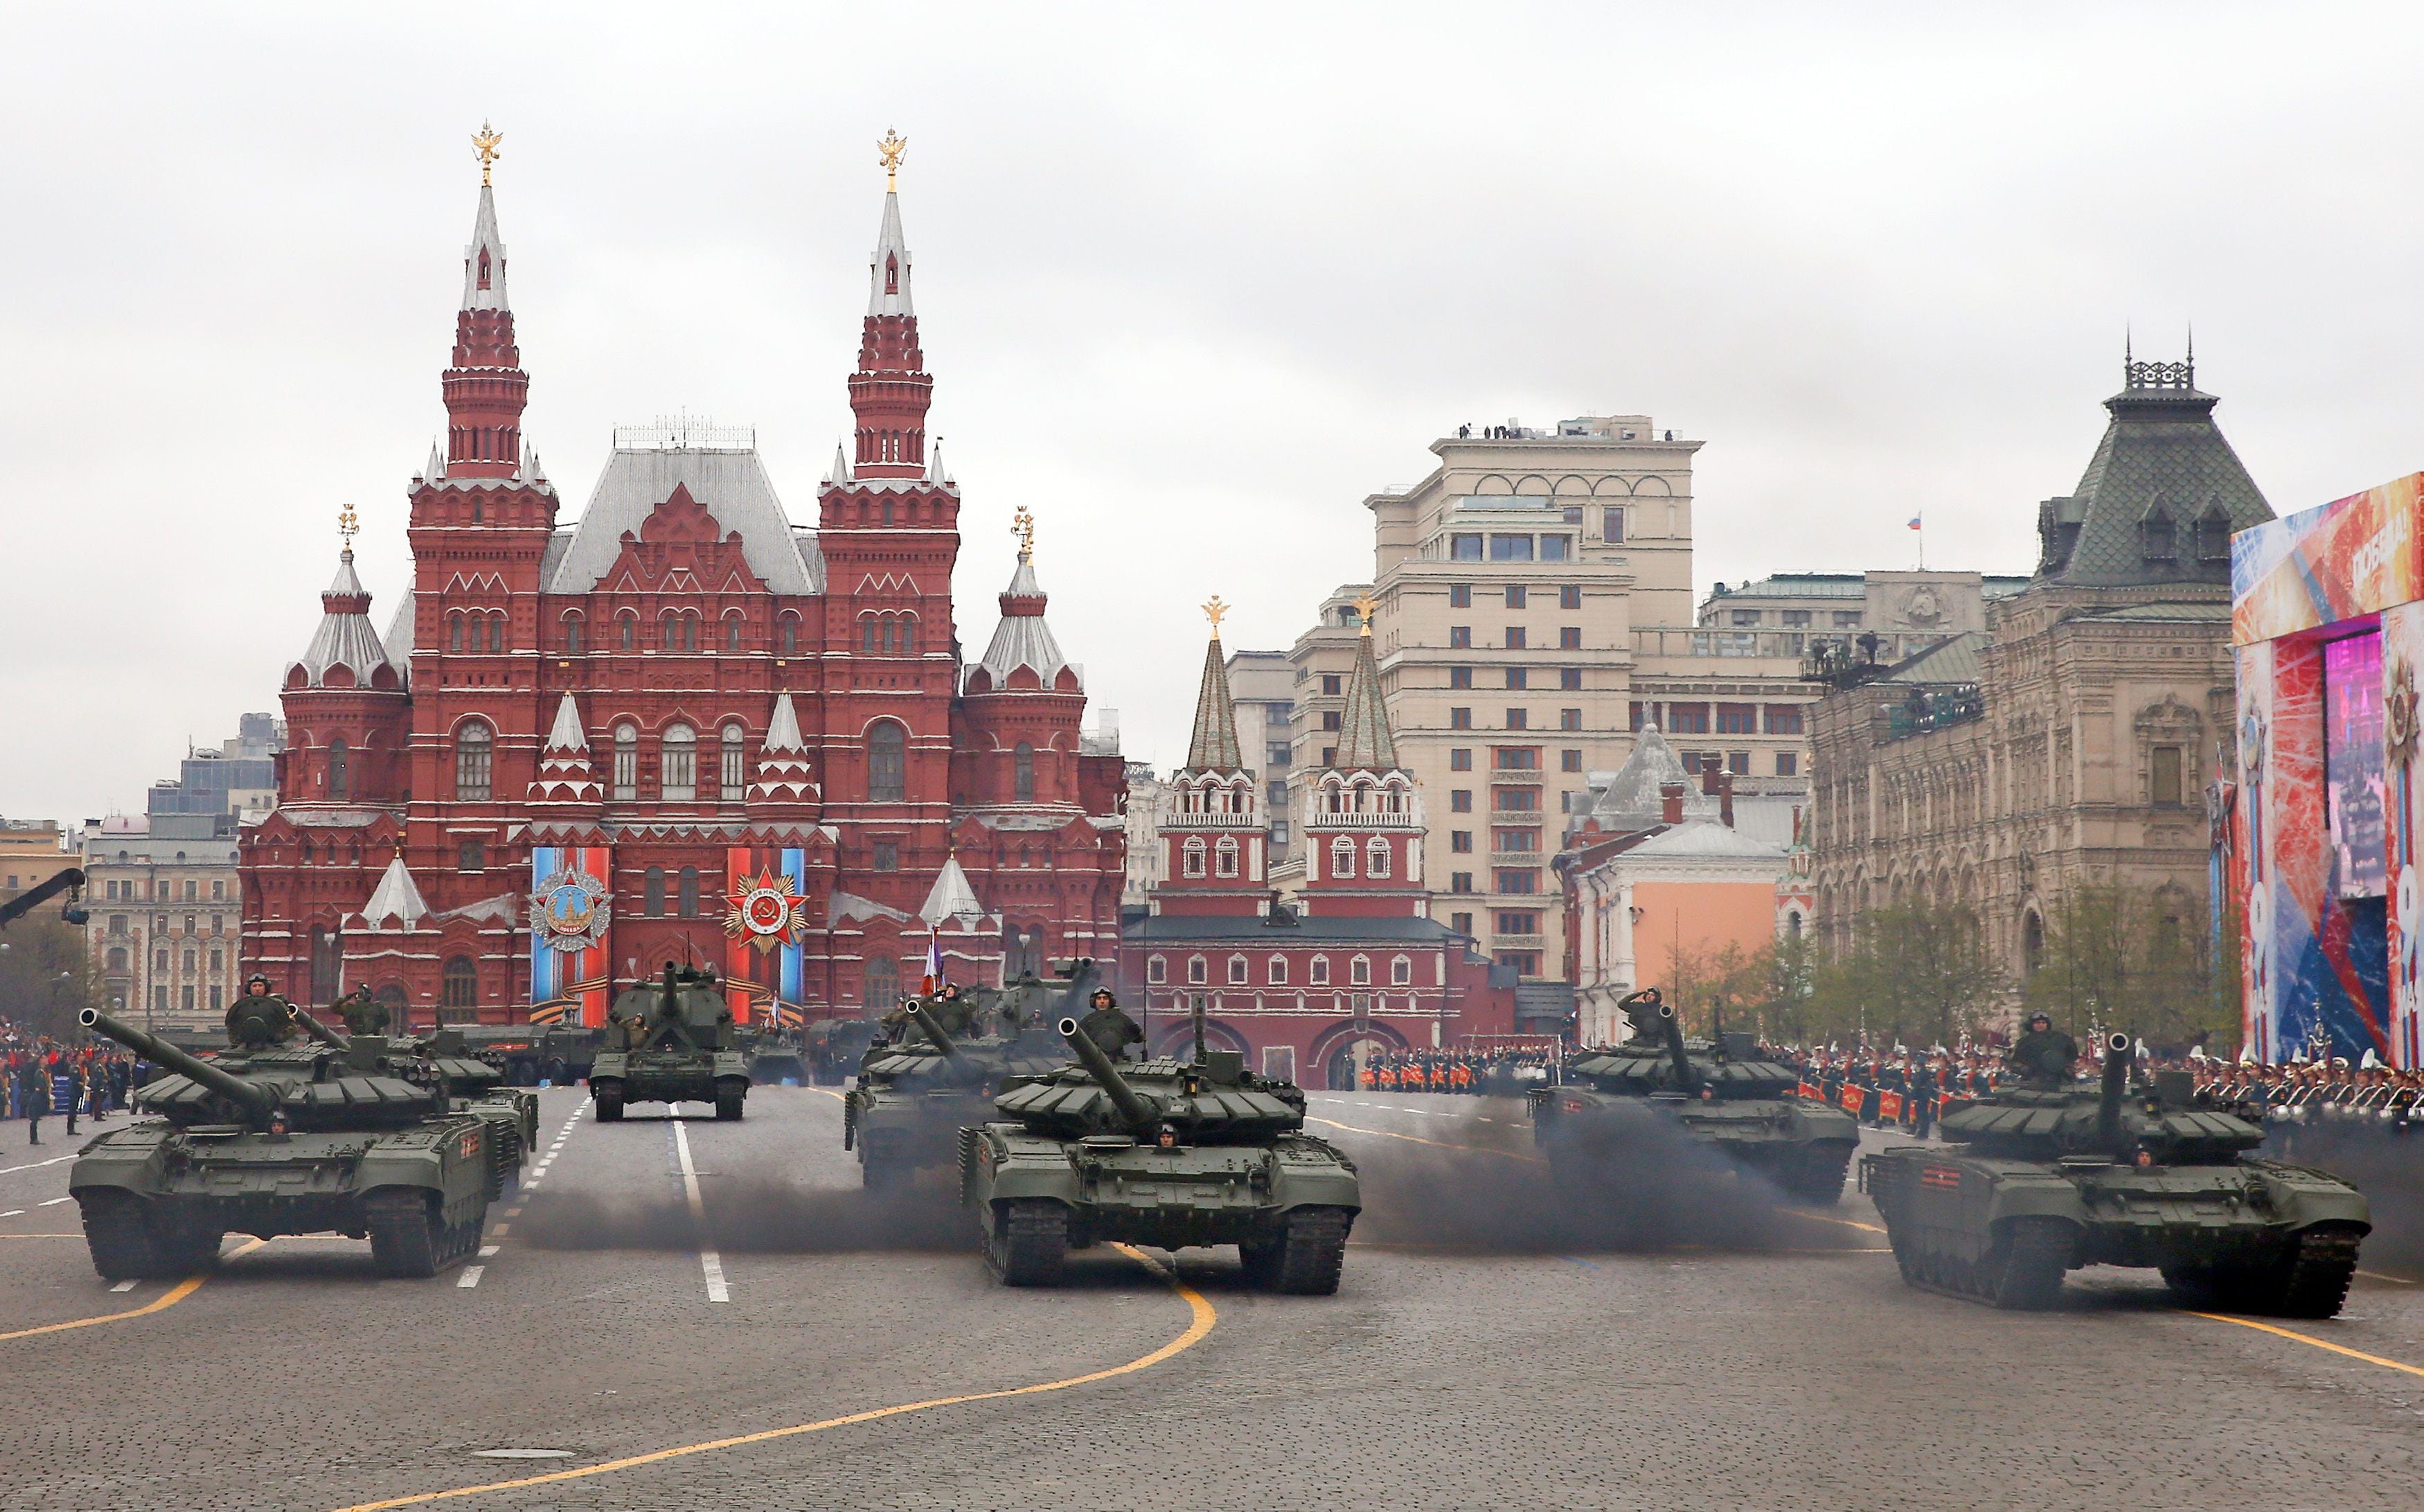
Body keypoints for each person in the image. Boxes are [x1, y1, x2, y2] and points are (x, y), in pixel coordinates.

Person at [2006, 1012, 2078, 1087]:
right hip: (2034, 1079)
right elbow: (2015, 1062)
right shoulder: (2025, 1042)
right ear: (2031, 1025)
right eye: (2037, 1023)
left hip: (2061, 1078)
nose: (2041, 1025)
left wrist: (2068, 1069)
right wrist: (2027, 1070)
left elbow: (2072, 1056)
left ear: (2047, 1024)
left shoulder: (2061, 1039)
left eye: (2043, 1023)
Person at [1076, 988, 1144, 1062]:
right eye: (1099, 999)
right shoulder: (1087, 1021)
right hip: (1094, 1060)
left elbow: (1139, 1037)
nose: (1102, 1001)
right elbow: (1077, 1040)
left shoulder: (1120, 1018)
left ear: (1110, 1001)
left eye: (1105, 998)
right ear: (1094, 1002)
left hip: (1119, 1059)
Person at [21, 1060, 50, 1145]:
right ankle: (33, 1138)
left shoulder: (42, 1072)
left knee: (36, 1118)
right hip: (38, 1096)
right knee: (34, 1118)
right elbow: (41, 1086)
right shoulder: (39, 1073)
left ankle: (34, 1138)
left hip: (39, 1095)